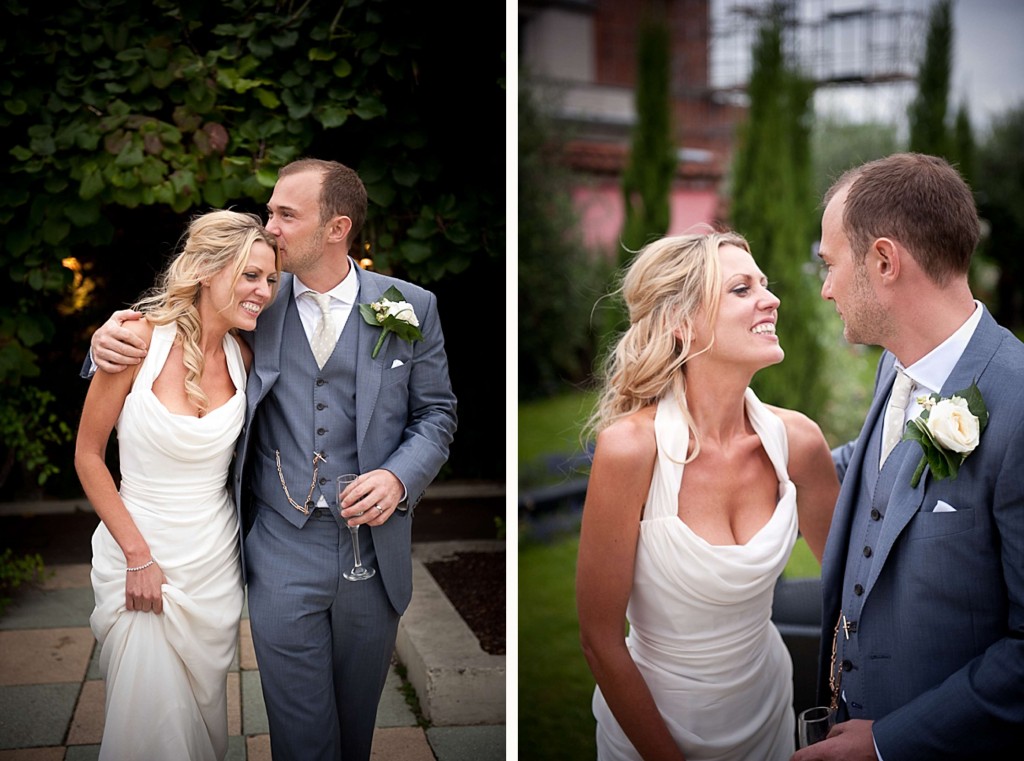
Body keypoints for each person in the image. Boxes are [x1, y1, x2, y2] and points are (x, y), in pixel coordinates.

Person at [87, 158, 458, 761]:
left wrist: (398, 476)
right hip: (282, 543)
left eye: (286, 214)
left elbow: (437, 414)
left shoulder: (408, 307)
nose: (270, 227)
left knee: (356, 729)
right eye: (270, 212)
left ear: (337, 228)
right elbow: (173, 333)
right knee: (301, 738)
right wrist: (102, 343)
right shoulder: (255, 299)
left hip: (374, 548)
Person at [792, 153, 1024, 760]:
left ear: (884, 262)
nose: (826, 287)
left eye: (831, 264)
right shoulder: (897, 366)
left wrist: (887, 743)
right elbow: (877, 468)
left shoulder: (1020, 406)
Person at [577, 230, 839, 761]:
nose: (771, 299)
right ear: (681, 322)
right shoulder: (630, 451)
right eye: (742, 289)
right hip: (653, 732)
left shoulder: (799, 443)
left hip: (770, 716)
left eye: (764, 284)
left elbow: (854, 594)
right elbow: (600, 641)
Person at [75, 210, 281, 760]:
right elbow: (88, 456)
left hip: (213, 563)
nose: (264, 291)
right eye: (250, 275)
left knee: (201, 718)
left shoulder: (244, 357)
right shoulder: (135, 341)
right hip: (139, 553)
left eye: (270, 279)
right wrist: (138, 557)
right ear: (207, 271)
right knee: (149, 723)